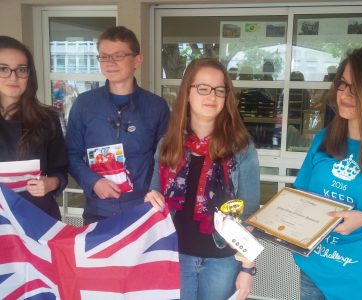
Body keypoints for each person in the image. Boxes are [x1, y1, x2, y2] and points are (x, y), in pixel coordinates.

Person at [145, 58, 260, 300]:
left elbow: (249, 211)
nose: (212, 96)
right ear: (187, 92)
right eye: (203, 88)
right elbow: (154, 201)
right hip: (176, 256)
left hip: (222, 260)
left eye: (220, 90)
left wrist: (248, 268)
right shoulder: (168, 145)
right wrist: (150, 198)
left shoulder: (241, 146)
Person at [293, 47, 362, 300]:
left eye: (357, 87)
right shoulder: (324, 138)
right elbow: (299, 195)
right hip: (314, 269)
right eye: (342, 84)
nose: (344, 94)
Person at [66, 26, 169, 224]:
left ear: (137, 60)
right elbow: (71, 154)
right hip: (98, 208)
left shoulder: (156, 106)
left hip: (143, 208)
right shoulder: (84, 104)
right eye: (104, 56)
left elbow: (166, 158)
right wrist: (93, 182)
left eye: (118, 56)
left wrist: (155, 191)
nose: (110, 63)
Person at [0, 36, 67, 220]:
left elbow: (59, 169)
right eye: (3, 69)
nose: (13, 77)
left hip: (37, 216)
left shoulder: (48, 118)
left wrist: (51, 183)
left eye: (21, 70)